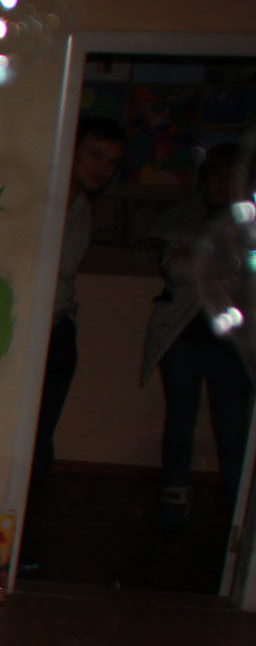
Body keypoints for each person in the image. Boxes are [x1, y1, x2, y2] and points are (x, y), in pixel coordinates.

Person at [22, 116, 125, 575]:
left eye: (112, 162)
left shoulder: (82, 205)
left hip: (59, 330)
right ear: (72, 149)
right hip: (29, 332)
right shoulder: (42, 200)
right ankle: (18, 537)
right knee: (25, 440)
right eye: (95, 155)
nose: (103, 168)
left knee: (40, 441)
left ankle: (25, 538)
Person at [140, 140, 256, 537]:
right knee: (179, 420)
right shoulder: (183, 216)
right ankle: (174, 500)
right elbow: (178, 272)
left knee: (232, 427)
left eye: (230, 176)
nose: (222, 183)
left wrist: (204, 259)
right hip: (183, 339)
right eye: (216, 175)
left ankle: (237, 508)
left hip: (229, 343)